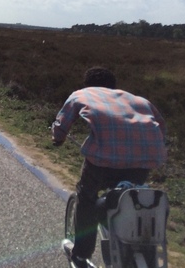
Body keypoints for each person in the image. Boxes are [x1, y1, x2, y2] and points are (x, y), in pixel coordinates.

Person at [52, 67, 167, 268]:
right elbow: (161, 126)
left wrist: (58, 139)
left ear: (87, 84)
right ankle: (130, 240)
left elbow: (62, 125)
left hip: (103, 162)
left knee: (86, 197)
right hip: (145, 159)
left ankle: (80, 254)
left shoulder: (81, 94)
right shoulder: (138, 100)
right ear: (114, 85)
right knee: (131, 196)